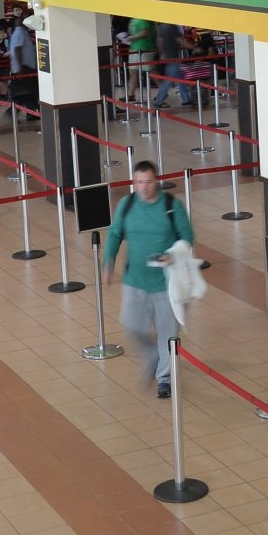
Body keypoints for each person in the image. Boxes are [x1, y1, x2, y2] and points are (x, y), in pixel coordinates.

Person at [102, 160, 197, 398]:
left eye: (148, 182)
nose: (144, 187)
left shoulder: (170, 205)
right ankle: (153, 354)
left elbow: (187, 236)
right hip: (135, 280)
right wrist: (108, 262)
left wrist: (172, 255)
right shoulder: (127, 205)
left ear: (157, 181)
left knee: (168, 333)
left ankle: (164, 378)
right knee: (132, 326)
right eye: (139, 182)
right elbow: (115, 234)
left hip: (166, 283)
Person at [6, 15, 37, 117]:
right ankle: (12, 112)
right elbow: (17, 50)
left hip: (26, 67)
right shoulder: (20, 33)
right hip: (24, 68)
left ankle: (31, 113)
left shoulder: (21, 33)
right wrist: (20, 67)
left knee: (29, 92)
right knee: (24, 93)